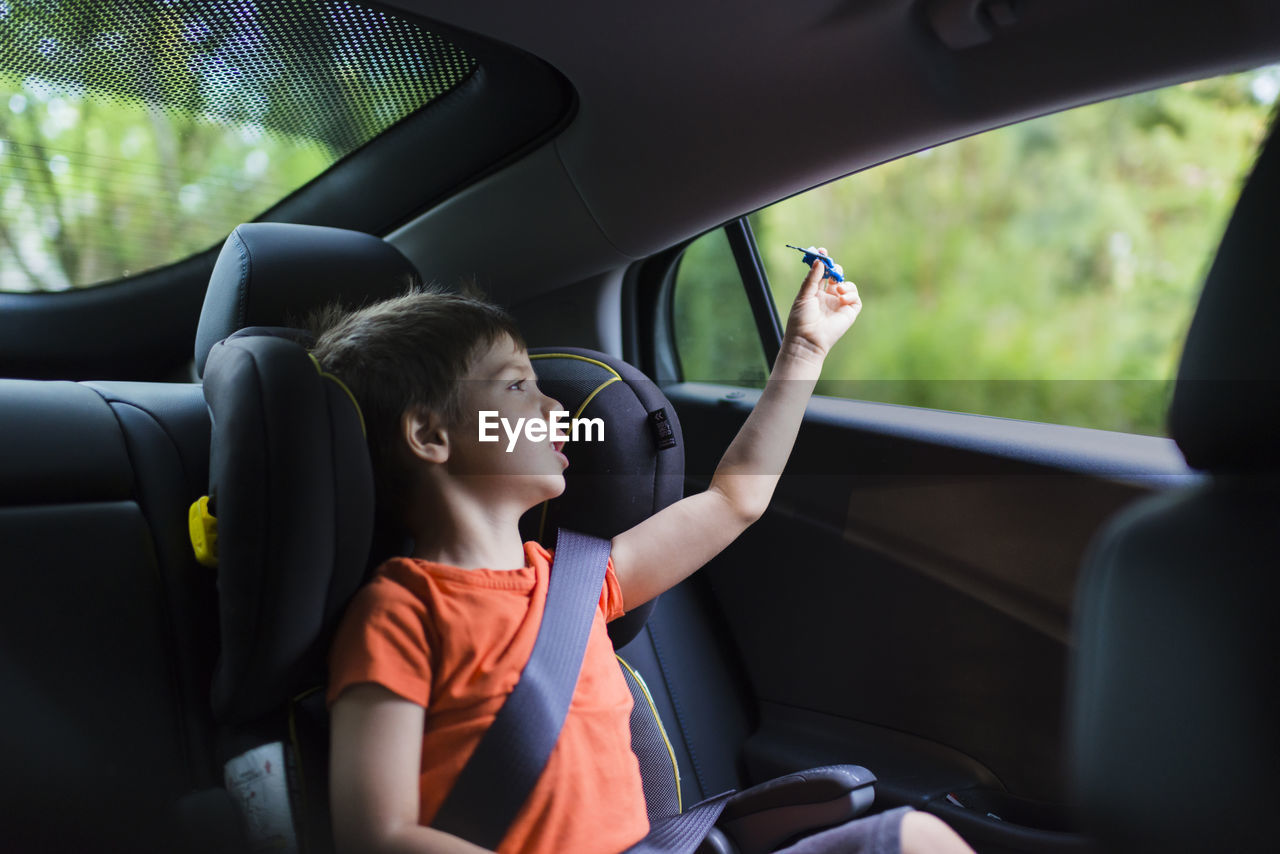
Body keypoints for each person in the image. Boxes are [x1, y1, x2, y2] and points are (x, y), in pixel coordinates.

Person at [316, 253, 975, 854]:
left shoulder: (579, 582)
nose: (554, 407)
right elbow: (377, 835)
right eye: (517, 387)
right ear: (430, 433)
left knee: (920, 839)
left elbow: (733, 502)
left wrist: (802, 350)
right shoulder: (399, 614)